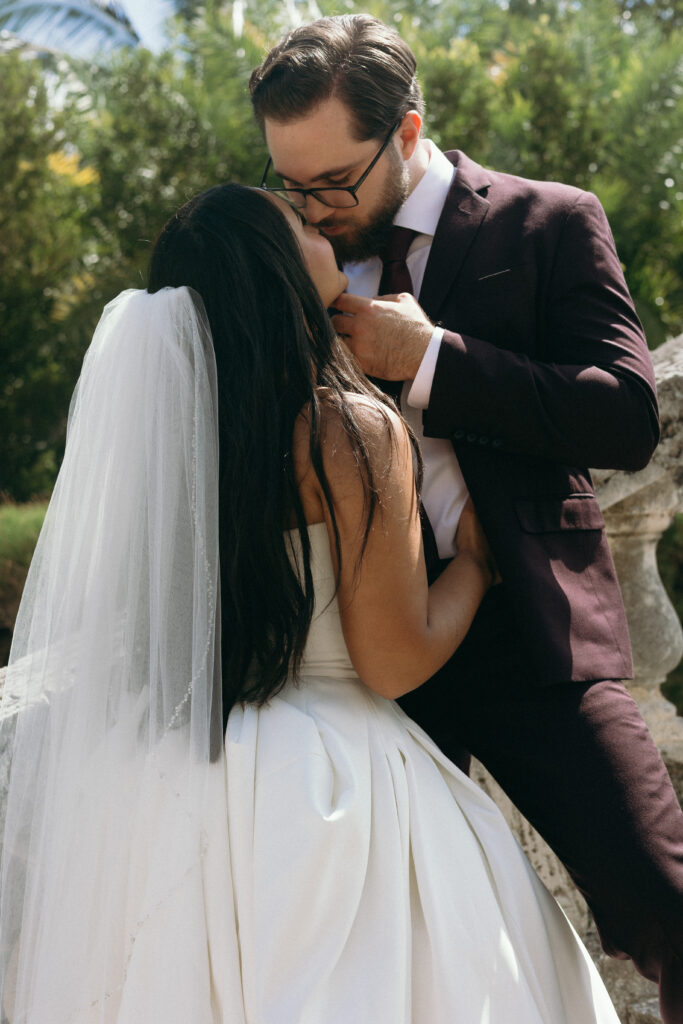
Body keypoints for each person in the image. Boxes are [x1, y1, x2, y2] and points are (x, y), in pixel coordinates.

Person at [0, 183, 620, 1022]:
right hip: (328, 777)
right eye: (298, 220)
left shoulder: (186, 441)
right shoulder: (347, 431)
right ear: (275, 268)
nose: (319, 221)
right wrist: (473, 562)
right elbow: (393, 659)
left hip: (183, 763)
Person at [249, 14, 683, 1022]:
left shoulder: (548, 220)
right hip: (364, 663)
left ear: (404, 134)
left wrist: (433, 357)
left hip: (536, 644)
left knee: (660, 904)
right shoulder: (291, 258)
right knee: (371, 958)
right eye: (289, 183)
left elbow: (621, 416)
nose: (309, 208)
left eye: (330, 183)